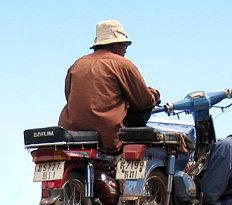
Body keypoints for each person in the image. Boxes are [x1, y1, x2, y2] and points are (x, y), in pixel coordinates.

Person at [59, 20, 160, 152]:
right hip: (108, 135)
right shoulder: (123, 64)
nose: (125, 51)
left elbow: (69, 97)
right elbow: (142, 102)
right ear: (115, 45)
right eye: (125, 46)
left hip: (70, 130)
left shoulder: (76, 65)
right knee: (145, 107)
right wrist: (154, 94)